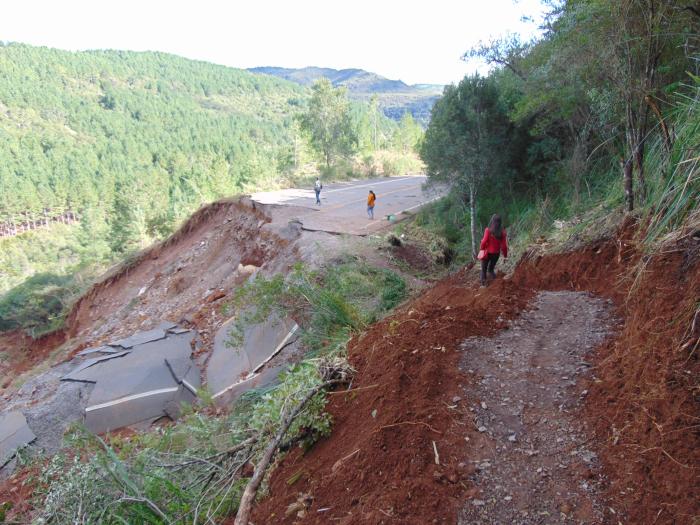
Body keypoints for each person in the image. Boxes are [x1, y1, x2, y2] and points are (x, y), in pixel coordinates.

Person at [480, 214, 508, 286]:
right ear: (500, 222)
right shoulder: (503, 232)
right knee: (491, 269)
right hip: (496, 254)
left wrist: (482, 249)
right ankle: (495, 285)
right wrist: (505, 255)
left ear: (492, 221)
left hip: (487, 253)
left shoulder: (488, 230)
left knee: (483, 270)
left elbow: (483, 241)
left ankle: (484, 285)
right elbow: (504, 246)